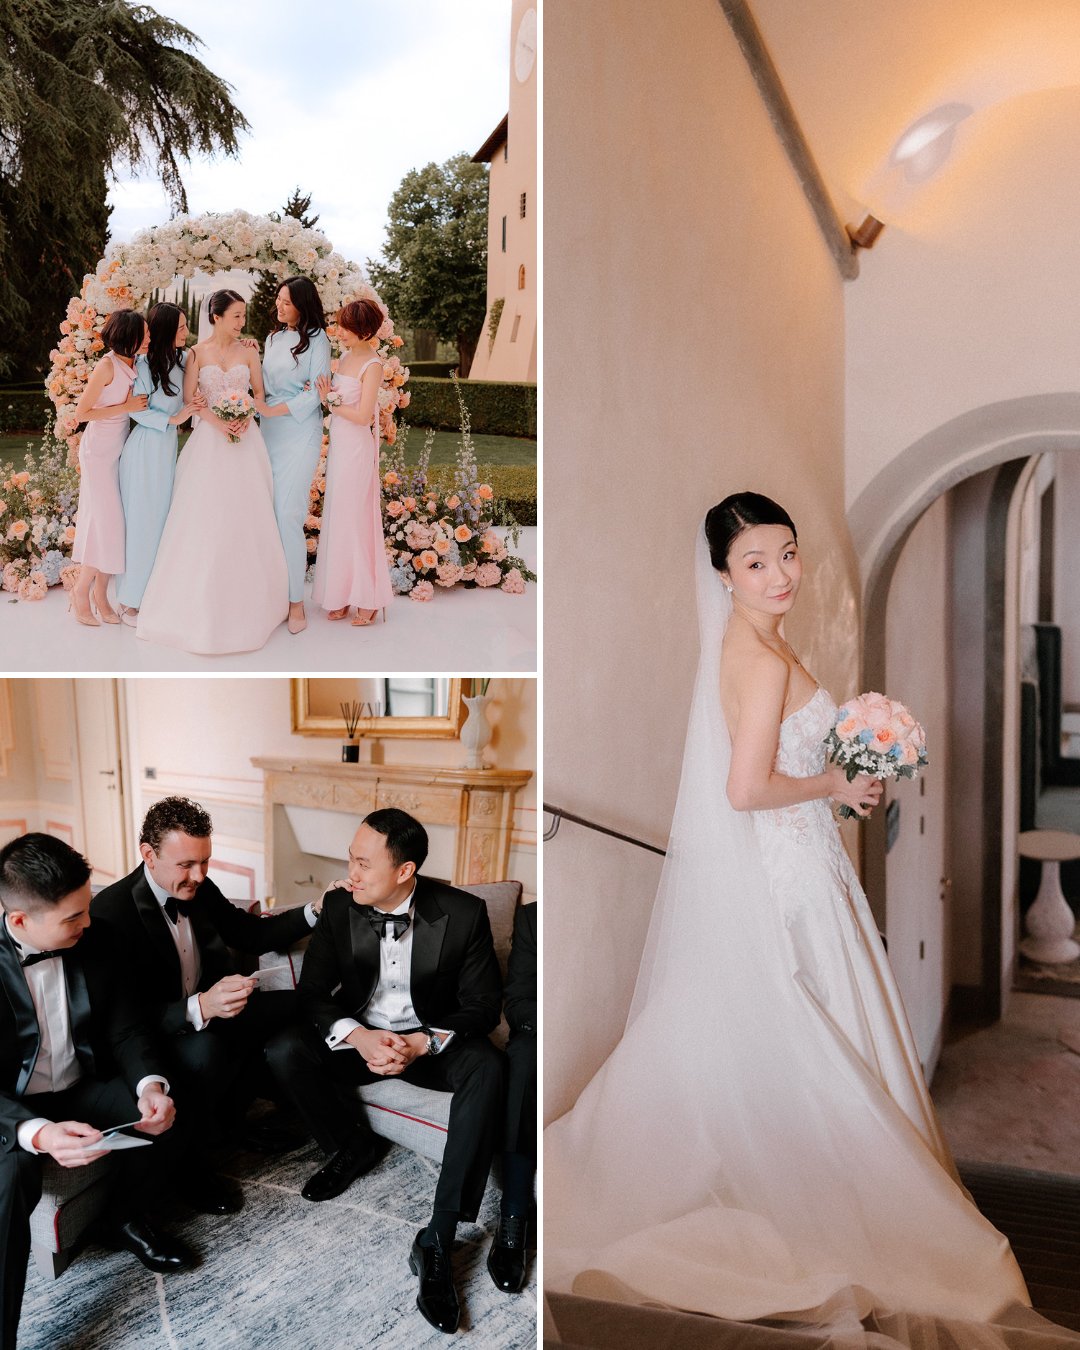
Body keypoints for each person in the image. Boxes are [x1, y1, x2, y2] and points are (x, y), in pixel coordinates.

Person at [545, 493, 1040, 1343]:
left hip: (804, 863)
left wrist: (838, 775)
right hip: (789, 877)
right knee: (813, 1042)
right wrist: (835, 786)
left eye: (788, 554)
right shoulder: (759, 658)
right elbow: (745, 793)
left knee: (813, 1040)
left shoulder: (759, 643)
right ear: (723, 575)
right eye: (755, 563)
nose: (779, 576)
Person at [265, 808, 504, 1335]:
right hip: (359, 1038)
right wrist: (359, 1035)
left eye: (362, 863)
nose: (350, 872)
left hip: (425, 1045)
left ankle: (438, 1237)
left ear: (405, 871)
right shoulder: (337, 905)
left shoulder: (464, 913)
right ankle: (350, 1145)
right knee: (283, 1048)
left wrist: (419, 1044)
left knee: (488, 1065)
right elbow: (311, 995)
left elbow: (483, 1008)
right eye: (350, 858)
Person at [0, 833, 193, 1347]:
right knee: (11, 1174)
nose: (87, 923)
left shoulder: (99, 938)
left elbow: (128, 1029)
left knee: (170, 1110)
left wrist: (150, 1086)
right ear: (20, 921)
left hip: (79, 1083)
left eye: (86, 909)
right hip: (13, 1106)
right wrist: (38, 1134)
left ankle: (126, 1219)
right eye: (71, 918)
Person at [90, 796, 318, 1215]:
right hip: (154, 1039)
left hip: (213, 1009)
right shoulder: (110, 915)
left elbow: (250, 934)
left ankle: (231, 1127)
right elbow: (121, 1023)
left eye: (205, 862)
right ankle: (188, 1168)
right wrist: (198, 1007)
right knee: (208, 1049)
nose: (199, 876)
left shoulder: (197, 885)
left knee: (301, 1004)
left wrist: (314, 911)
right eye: (186, 865)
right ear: (148, 854)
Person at [135, 290, 289, 655]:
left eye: (243, 316)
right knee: (206, 518)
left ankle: (255, 603)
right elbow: (192, 402)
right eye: (236, 316)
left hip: (246, 441)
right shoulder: (195, 354)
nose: (241, 323)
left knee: (246, 516)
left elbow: (259, 396)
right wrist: (220, 424)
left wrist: (244, 415)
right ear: (216, 317)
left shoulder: (250, 350)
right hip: (208, 442)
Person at [115, 302, 203, 625]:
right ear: (166, 329)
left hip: (166, 452)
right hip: (144, 451)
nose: (186, 332)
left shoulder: (184, 359)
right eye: (180, 327)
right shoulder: (142, 365)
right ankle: (129, 601)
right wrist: (174, 418)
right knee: (142, 524)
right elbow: (136, 410)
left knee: (161, 523)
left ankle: (152, 593)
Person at [255, 275, 333, 634]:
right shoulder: (272, 339)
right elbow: (265, 387)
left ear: (304, 304)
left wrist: (276, 409)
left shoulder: (319, 340)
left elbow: (316, 392)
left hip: (300, 430)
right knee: (267, 512)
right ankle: (269, 595)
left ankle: (295, 603)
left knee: (289, 512)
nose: (279, 307)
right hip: (269, 430)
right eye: (278, 301)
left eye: (286, 302)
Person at [311, 297, 393, 627]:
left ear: (361, 330)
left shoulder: (372, 366)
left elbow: (362, 417)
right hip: (340, 447)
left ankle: (367, 597)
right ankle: (341, 594)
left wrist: (328, 402)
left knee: (358, 520)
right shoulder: (344, 358)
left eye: (345, 327)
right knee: (339, 518)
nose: (339, 332)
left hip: (357, 448)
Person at [70, 309, 149, 627]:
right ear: (128, 337)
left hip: (119, 451)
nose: (148, 339)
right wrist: (126, 407)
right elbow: (82, 413)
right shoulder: (107, 366)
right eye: (144, 334)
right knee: (106, 523)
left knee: (112, 526)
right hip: (98, 453)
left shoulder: (136, 363)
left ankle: (101, 594)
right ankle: (80, 591)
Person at [487, 898, 535, 1293]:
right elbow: (517, 997)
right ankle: (516, 1211)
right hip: (538, 1032)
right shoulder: (533, 917)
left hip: (596, 1021)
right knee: (523, 1058)